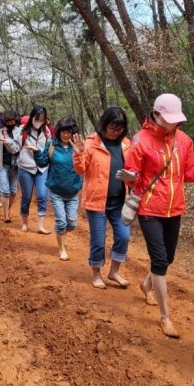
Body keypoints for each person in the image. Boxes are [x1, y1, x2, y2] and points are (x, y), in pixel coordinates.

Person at [120, 93, 194, 338]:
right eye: (168, 118)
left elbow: (188, 173)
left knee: (167, 258)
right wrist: (130, 177)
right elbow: (134, 175)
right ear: (156, 114)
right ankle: (165, 316)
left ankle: (146, 284)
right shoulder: (141, 141)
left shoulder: (185, 141)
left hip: (175, 207)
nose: (173, 123)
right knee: (159, 261)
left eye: (175, 119)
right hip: (149, 209)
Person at [72, 107, 131, 289]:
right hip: (97, 201)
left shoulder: (126, 145)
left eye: (119, 129)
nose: (115, 132)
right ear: (104, 125)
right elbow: (81, 170)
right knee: (98, 241)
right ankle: (96, 274)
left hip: (120, 201)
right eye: (112, 127)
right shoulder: (91, 143)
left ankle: (114, 272)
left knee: (124, 236)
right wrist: (78, 153)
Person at [45, 117, 83, 260]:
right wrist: (37, 153)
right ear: (58, 132)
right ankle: (62, 250)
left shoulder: (78, 147)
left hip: (73, 191)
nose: (66, 135)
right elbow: (42, 162)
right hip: (56, 191)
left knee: (72, 223)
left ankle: (62, 234)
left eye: (69, 132)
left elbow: (84, 165)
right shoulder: (52, 146)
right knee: (61, 221)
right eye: (63, 132)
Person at [17, 105, 52, 233]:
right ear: (32, 118)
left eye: (42, 119)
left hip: (42, 168)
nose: (39, 122)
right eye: (37, 118)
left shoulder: (47, 132)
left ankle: (40, 226)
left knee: (42, 195)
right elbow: (15, 147)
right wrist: (7, 142)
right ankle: (25, 223)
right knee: (26, 196)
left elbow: (49, 148)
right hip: (25, 167)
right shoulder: (22, 131)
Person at [0, 110, 21, 223]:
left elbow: (18, 147)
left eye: (13, 121)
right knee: (5, 191)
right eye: (8, 121)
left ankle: (8, 210)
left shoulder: (19, 132)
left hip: (15, 165)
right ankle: (6, 214)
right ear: (4, 122)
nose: (11, 123)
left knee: (13, 190)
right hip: (2, 164)